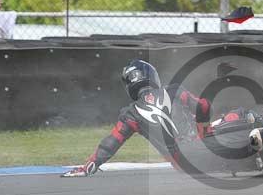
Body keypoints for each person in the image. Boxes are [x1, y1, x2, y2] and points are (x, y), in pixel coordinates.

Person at [62, 59, 212, 177]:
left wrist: (88, 166)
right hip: (206, 148)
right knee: (233, 116)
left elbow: (111, 142)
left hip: (183, 165)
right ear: (151, 75)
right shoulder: (174, 91)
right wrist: (204, 130)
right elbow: (204, 107)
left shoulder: (131, 114)